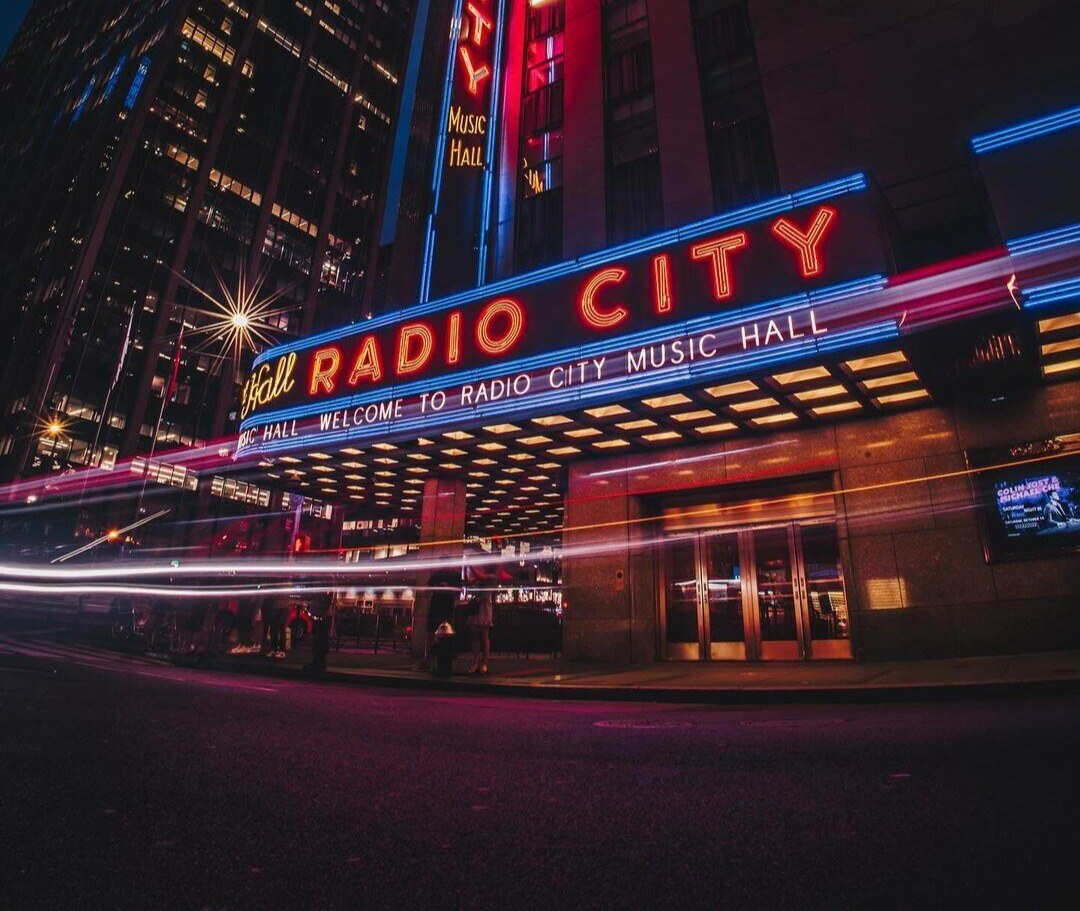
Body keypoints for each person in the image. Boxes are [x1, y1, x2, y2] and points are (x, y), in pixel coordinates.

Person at [465, 559, 496, 676]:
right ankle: (476, 662)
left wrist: (470, 565)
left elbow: (478, 576)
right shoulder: (481, 578)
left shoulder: (491, 577)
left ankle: (484, 662)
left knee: (484, 635)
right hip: (476, 607)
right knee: (474, 635)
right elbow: (470, 582)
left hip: (484, 607)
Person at [304, 591, 334, 672]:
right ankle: (317, 661)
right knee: (317, 639)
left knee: (320, 639)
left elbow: (326, 600)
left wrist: (321, 611)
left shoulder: (326, 587)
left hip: (321, 616)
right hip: (319, 615)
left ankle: (319, 662)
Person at [265, 592, 290, 658]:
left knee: (281, 629)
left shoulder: (286, 583)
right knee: (274, 629)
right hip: (276, 607)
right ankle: (274, 649)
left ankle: (281, 650)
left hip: (282, 607)